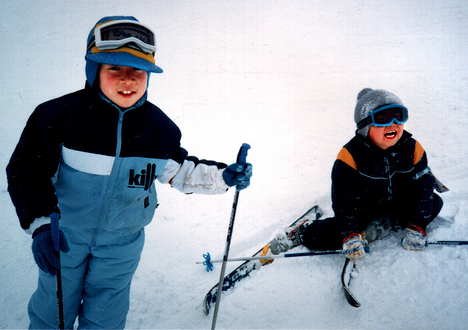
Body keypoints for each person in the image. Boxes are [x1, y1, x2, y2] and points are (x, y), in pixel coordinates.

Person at [6, 16, 252, 329]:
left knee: (107, 313)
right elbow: (27, 170)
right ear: (93, 70)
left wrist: (224, 177)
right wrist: (41, 224)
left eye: (137, 71)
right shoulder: (59, 116)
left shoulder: (159, 129)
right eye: (115, 69)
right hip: (64, 237)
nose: (128, 80)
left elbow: (180, 171)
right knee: (53, 311)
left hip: (122, 243)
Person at [270, 88, 443, 261]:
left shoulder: (413, 148)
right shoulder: (350, 156)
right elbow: (343, 200)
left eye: (399, 116)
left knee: (434, 203)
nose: (393, 124)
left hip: (396, 204)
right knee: (334, 236)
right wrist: (350, 234)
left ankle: (385, 223)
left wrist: (418, 226)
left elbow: (423, 187)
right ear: (364, 126)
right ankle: (302, 232)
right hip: (362, 210)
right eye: (382, 119)